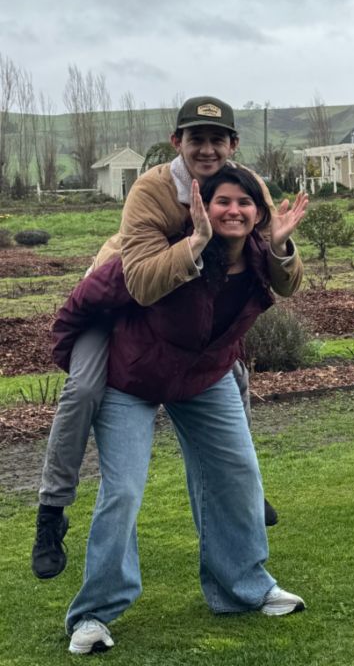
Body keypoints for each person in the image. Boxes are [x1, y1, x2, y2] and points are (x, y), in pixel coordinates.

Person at [32, 96, 307, 578]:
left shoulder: (244, 185)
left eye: (217, 139)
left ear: (233, 144)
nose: (207, 149)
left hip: (181, 309)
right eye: (196, 138)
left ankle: (245, 489)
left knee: (231, 370)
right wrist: (197, 240)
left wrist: (281, 247)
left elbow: (266, 261)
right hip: (115, 303)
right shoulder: (153, 188)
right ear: (177, 141)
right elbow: (139, 283)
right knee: (84, 389)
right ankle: (52, 510)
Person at [52, 165, 307, 655]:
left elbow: (288, 283)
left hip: (204, 377)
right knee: (123, 490)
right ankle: (93, 613)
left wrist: (279, 244)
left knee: (237, 473)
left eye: (244, 203)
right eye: (223, 201)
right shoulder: (165, 252)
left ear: (257, 214)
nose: (234, 210)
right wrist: (75, 359)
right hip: (133, 377)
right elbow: (88, 296)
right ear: (201, 209)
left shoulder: (259, 253)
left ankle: (244, 587)